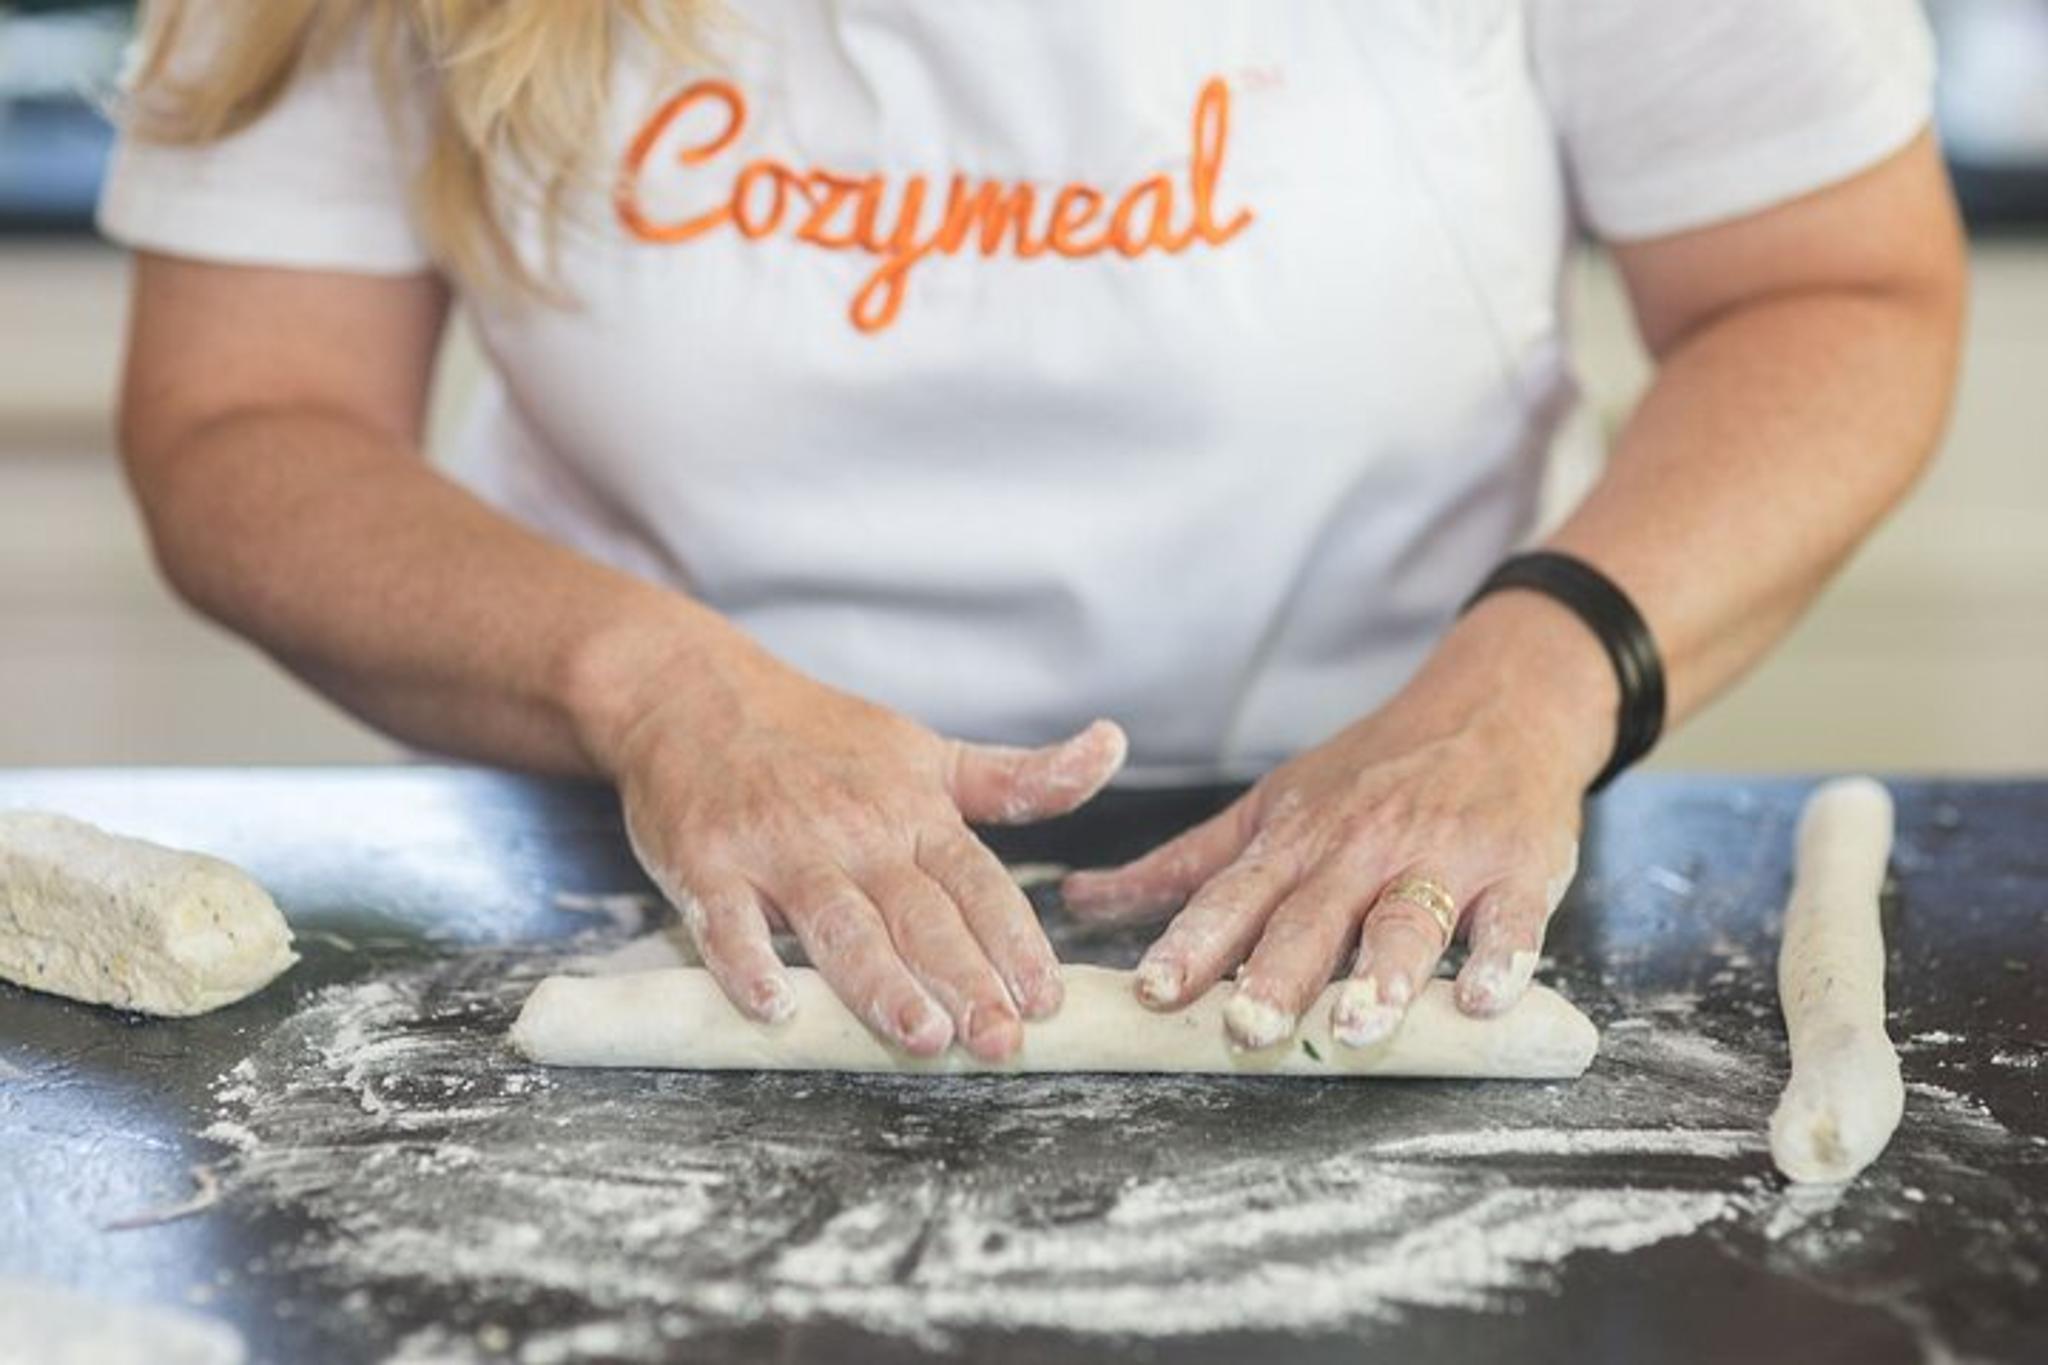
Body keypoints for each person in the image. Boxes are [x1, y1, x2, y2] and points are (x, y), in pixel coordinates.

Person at [101, 1, 1965, 1063]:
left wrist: (1530, 695)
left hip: (1405, 866)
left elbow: (1831, 294)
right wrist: (653, 686)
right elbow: (248, 419)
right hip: (625, 865)